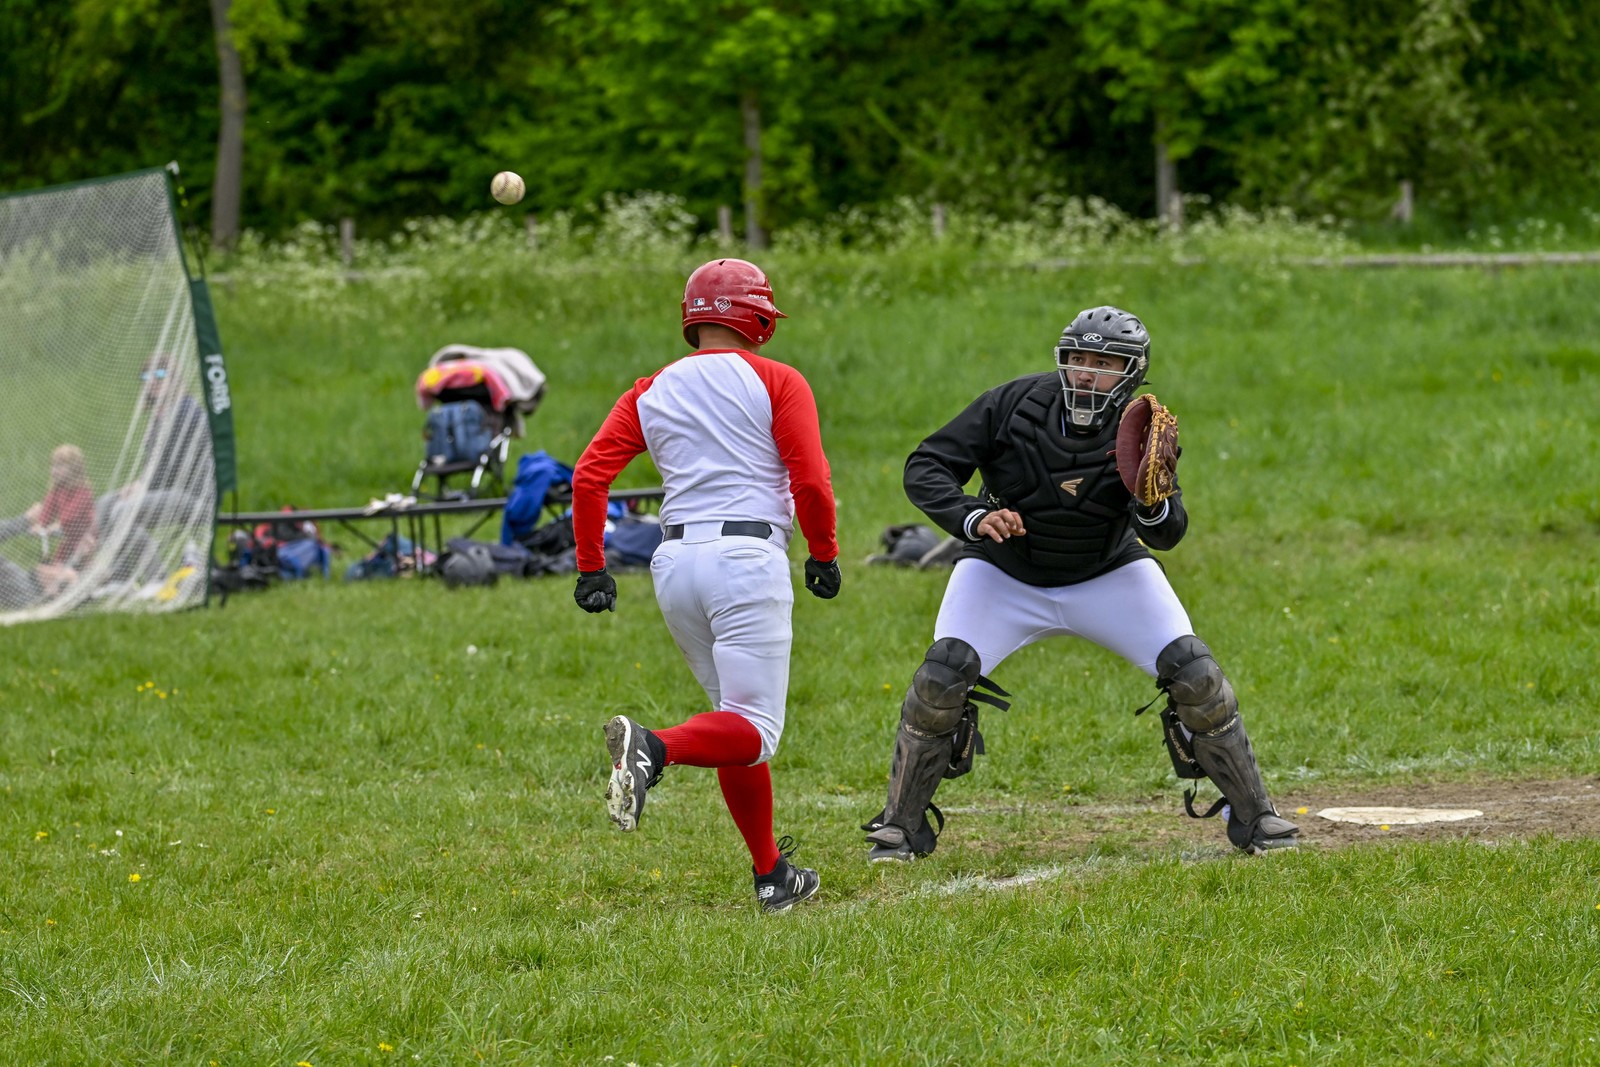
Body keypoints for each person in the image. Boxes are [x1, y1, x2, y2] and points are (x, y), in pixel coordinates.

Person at [862, 306, 1300, 863]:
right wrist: (972, 517)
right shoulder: (1011, 404)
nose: (1086, 374)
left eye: (1103, 363)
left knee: (1196, 675)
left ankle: (1256, 814)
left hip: (1106, 571)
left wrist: (1153, 501)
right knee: (940, 678)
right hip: (1005, 571)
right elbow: (927, 464)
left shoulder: (1141, 428)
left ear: (1133, 372)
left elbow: (1168, 535)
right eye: (1076, 360)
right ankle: (900, 826)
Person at [570, 257, 842, 913]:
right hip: (746, 559)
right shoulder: (777, 379)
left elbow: (587, 477)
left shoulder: (650, 388)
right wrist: (825, 551)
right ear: (757, 317)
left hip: (674, 565)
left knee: (731, 718)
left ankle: (772, 871)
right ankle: (653, 747)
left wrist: (591, 565)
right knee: (755, 729)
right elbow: (810, 481)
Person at [0, 444, 99, 607]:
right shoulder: (56, 490)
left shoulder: (82, 491)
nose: (54, 471)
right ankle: (61, 587)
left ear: (74, 469)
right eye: (53, 466)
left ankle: (85, 584)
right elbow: (47, 509)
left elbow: (71, 514)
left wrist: (55, 525)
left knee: (83, 563)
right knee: (58, 564)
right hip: (67, 539)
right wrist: (40, 524)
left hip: (83, 537)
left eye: (60, 466)